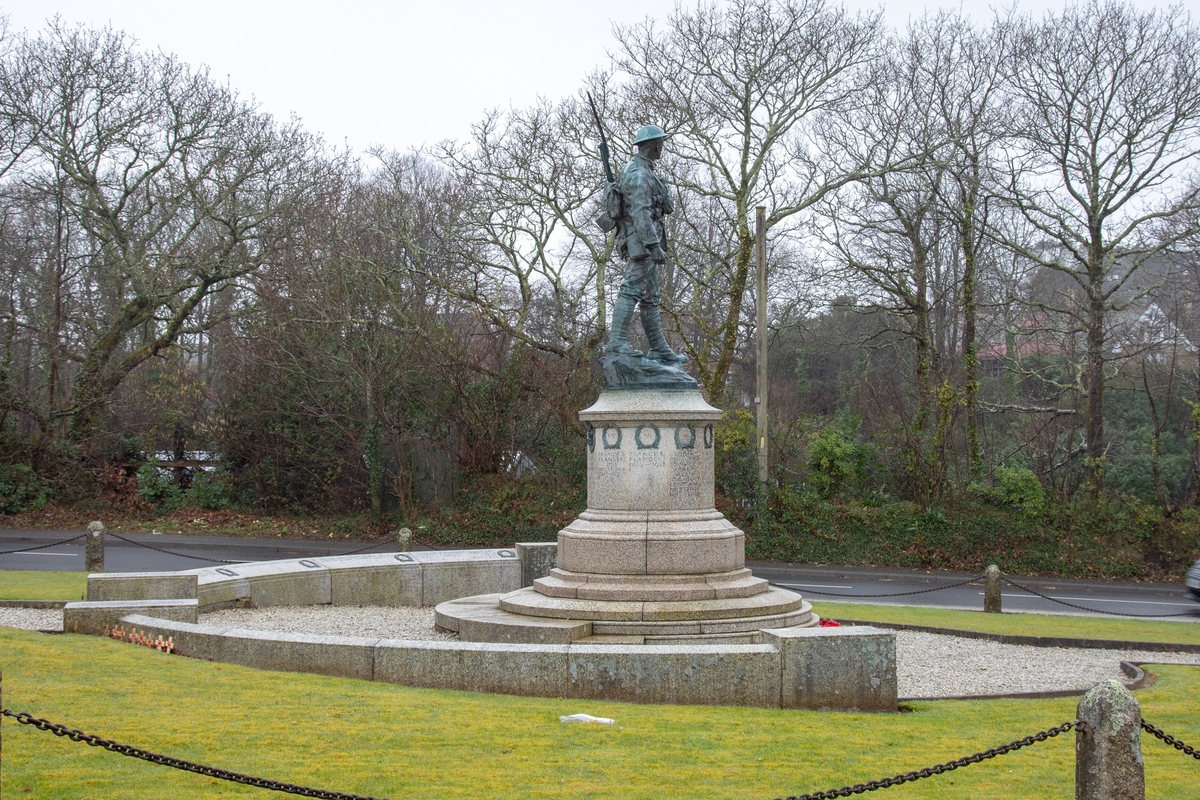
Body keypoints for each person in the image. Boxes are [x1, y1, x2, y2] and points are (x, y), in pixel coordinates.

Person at [607, 125, 687, 364]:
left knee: (651, 296)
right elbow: (640, 213)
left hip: (645, 240)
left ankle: (659, 348)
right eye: (660, 142)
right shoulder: (639, 174)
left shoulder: (646, 171)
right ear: (653, 145)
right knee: (631, 288)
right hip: (641, 242)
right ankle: (617, 342)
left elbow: (664, 207)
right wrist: (653, 245)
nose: (662, 147)